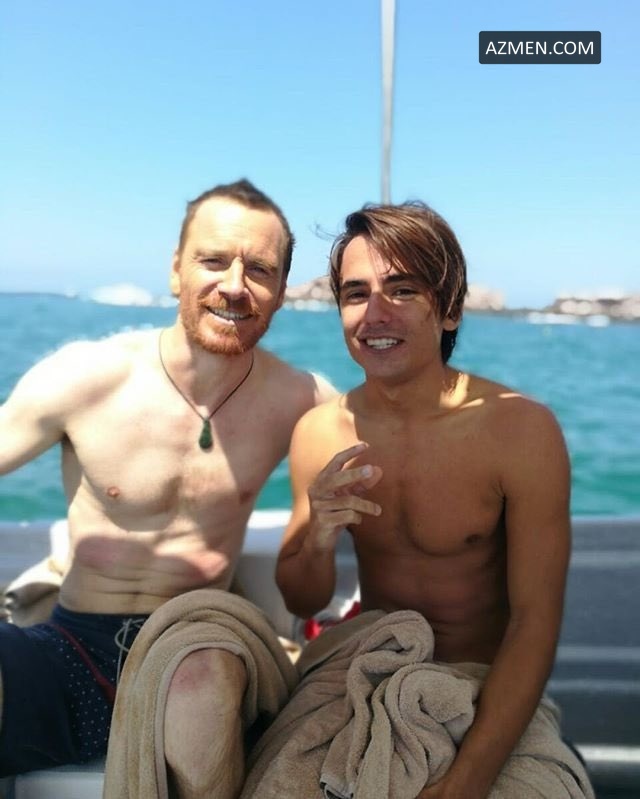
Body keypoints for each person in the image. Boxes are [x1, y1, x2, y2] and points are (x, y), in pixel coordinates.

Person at [0, 178, 335, 797]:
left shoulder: (302, 400)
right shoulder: (86, 378)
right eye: (213, 260)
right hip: (72, 640)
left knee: (199, 686)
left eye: (259, 269)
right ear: (176, 269)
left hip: (200, 639)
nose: (234, 285)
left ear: (283, 290)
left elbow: (399, 455)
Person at [276, 201, 574, 798]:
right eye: (356, 294)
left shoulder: (520, 430)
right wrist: (319, 537)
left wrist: (468, 780)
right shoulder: (321, 431)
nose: (375, 313)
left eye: (403, 289)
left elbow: (534, 623)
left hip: (487, 687)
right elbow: (301, 598)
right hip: (369, 670)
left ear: (451, 308)